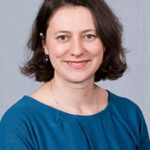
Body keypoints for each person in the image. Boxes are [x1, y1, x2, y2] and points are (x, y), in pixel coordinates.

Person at [0, 0, 149, 149]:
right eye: (63, 37)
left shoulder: (129, 115)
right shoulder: (19, 124)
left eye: (89, 36)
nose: (77, 50)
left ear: (105, 41)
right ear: (44, 43)